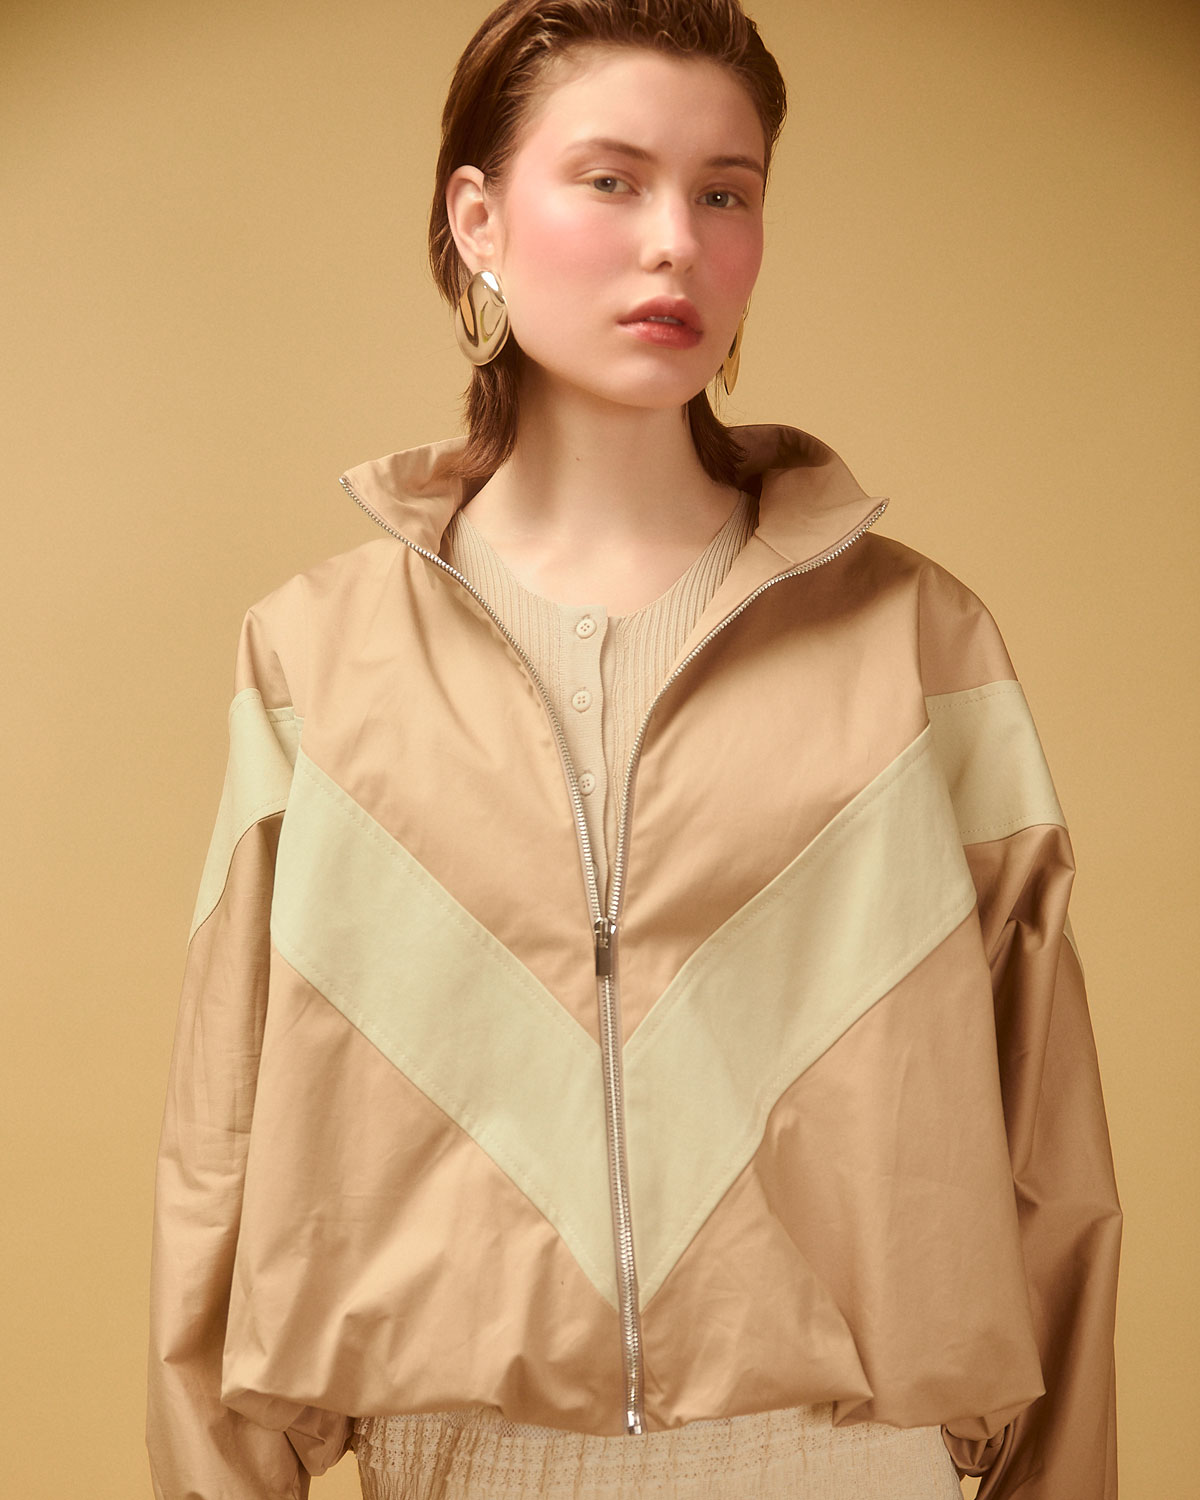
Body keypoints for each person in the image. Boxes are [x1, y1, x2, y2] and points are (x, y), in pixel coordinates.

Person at [146, 1, 1122, 1497]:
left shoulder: (917, 640)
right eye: (611, 180)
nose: (676, 243)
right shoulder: (317, 657)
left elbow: (1049, 1142)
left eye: (725, 193)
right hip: (467, 1465)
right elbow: (217, 1151)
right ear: (478, 218)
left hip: (852, 1465)